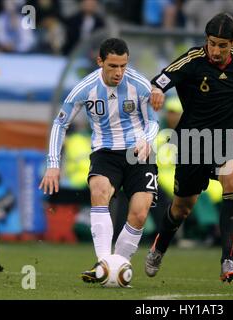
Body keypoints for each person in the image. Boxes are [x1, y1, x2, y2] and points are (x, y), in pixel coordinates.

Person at [147, 13, 233, 282]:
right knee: (182, 208)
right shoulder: (193, 60)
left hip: (230, 139)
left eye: (221, 45)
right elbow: (159, 80)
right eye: (211, 43)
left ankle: (228, 261)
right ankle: (160, 247)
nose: (215, 50)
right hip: (194, 143)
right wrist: (158, 91)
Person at [39, 38, 159, 283]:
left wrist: (146, 139)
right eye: (113, 66)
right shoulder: (85, 88)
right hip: (105, 152)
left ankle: (118, 265)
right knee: (99, 189)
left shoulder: (140, 85)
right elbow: (60, 123)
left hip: (139, 152)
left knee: (139, 213)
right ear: (100, 61)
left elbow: (153, 121)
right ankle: (103, 264)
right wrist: (53, 164)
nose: (119, 72)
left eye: (123, 66)